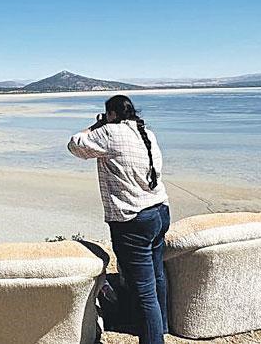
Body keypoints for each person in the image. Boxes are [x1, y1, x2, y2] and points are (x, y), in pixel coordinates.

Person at [67, 94, 171, 344]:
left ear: (111, 114)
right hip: (159, 210)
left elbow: (74, 145)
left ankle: (153, 339)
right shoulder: (147, 133)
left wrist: (96, 125)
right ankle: (161, 327)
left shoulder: (109, 133)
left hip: (133, 219)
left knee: (144, 291)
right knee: (157, 276)